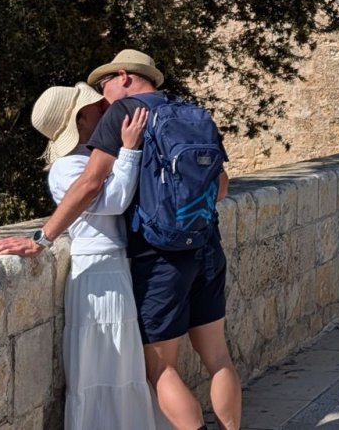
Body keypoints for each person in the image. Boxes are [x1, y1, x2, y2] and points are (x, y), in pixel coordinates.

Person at [0, 83, 157, 429]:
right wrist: (129, 151)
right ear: (81, 119)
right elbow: (112, 202)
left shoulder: (88, 157)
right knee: (103, 365)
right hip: (98, 272)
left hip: (112, 266)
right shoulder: (67, 167)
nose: (104, 111)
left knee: (121, 364)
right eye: (96, 108)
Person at [90, 51, 240, 430]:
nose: (100, 94)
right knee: (219, 358)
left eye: (101, 84)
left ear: (123, 77)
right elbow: (220, 187)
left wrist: (44, 236)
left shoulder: (124, 113)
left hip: (159, 255)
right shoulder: (192, 114)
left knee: (161, 368)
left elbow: (91, 183)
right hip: (205, 243)